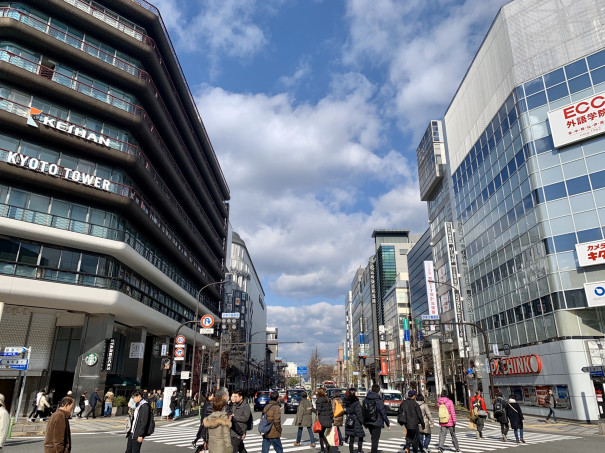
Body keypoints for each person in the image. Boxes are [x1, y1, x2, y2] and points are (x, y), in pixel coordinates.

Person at [363, 384, 390, 453]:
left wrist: (364, 422)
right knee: (375, 440)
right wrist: (387, 423)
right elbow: (382, 412)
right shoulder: (378, 399)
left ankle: (374, 450)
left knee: (373, 438)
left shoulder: (366, 399)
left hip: (368, 421)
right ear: (378, 391)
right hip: (376, 421)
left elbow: (363, 411)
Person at [344, 388, 365, 453]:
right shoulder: (356, 402)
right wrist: (363, 422)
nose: (357, 393)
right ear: (353, 393)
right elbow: (359, 414)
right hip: (356, 421)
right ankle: (359, 450)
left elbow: (346, 410)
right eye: (356, 392)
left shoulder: (347, 401)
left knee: (351, 438)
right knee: (360, 436)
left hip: (349, 420)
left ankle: (351, 451)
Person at [315, 388, 333, 453]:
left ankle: (325, 447)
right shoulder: (328, 400)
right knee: (321, 434)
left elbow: (318, 411)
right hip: (328, 419)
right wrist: (331, 419)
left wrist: (312, 409)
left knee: (321, 435)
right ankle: (324, 448)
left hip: (321, 420)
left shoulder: (319, 401)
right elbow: (331, 411)